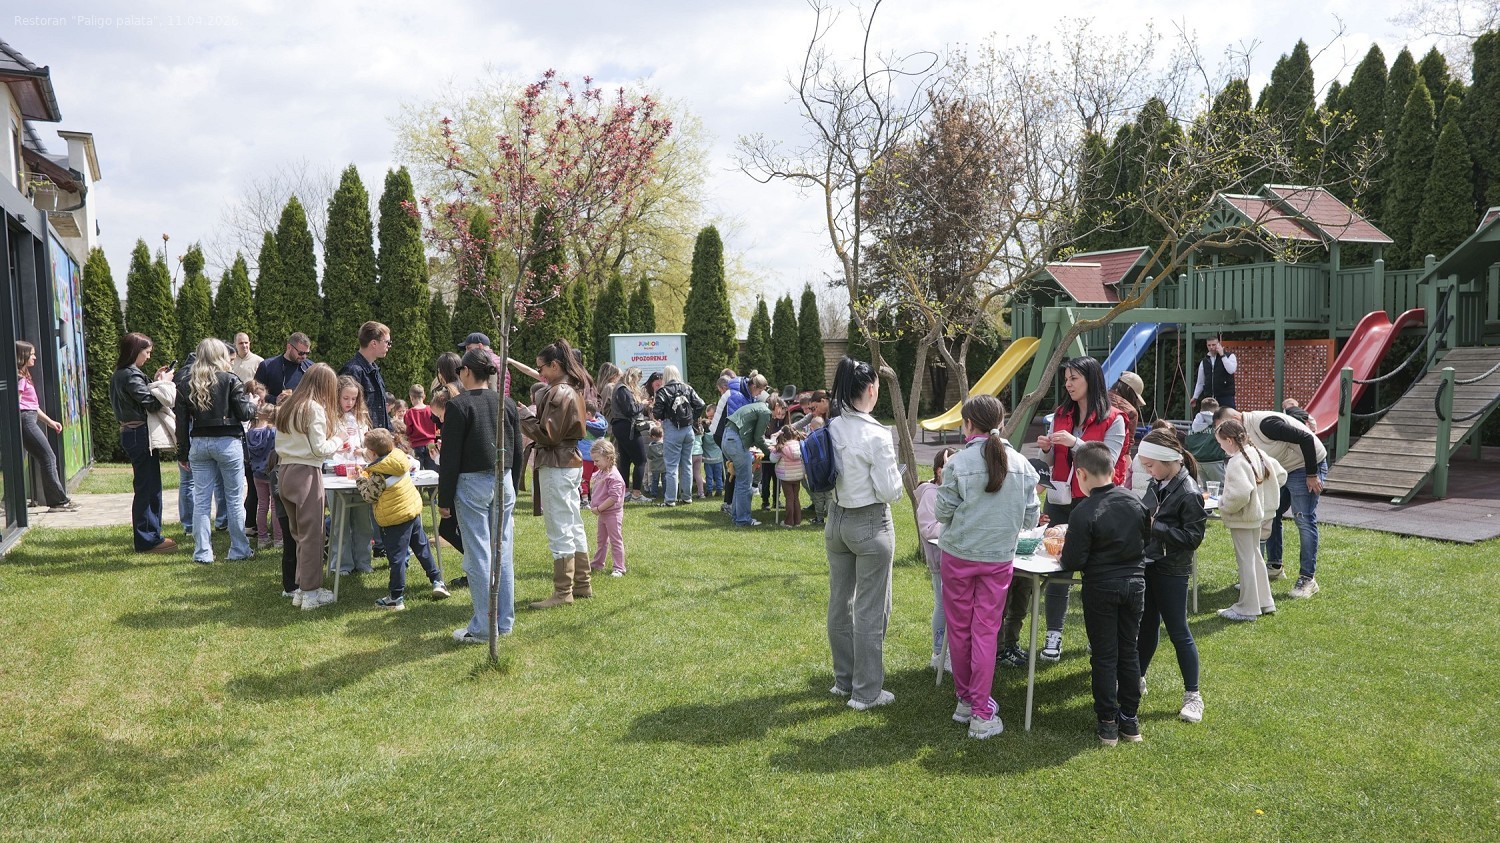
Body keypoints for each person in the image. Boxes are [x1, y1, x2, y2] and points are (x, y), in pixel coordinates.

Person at [935, 395, 1041, 740]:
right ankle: (979, 710)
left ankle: (968, 702)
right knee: (984, 632)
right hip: (997, 559)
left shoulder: (958, 463)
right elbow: (1031, 519)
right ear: (1002, 422)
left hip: (959, 555)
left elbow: (941, 512)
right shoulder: (1022, 465)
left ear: (968, 424)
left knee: (960, 630)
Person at [1031, 356, 1128, 662]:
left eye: (1074, 378)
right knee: (1058, 568)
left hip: (1095, 504)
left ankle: (1098, 636)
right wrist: (1046, 450)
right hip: (1059, 500)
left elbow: (1108, 462)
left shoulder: (1114, 419)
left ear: (1091, 379)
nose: (1068, 384)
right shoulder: (1060, 414)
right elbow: (1050, 464)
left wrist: (1075, 442)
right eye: (1066, 379)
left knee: (1095, 571)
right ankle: (1053, 634)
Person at [1057, 441, 1151, 746]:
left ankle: (1108, 722)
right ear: (1113, 470)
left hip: (1101, 587)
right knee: (1129, 650)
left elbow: (1072, 560)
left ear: (1081, 474)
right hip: (1135, 584)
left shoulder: (1083, 511)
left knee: (1104, 654)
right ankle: (1130, 720)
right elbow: (1146, 540)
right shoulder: (1135, 501)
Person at [824, 358, 904, 711]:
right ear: (871, 389)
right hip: (870, 522)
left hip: (836, 520)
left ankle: (844, 681)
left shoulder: (832, 427)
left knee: (840, 603)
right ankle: (866, 692)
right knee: (871, 609)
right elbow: (889, 491)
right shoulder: (876, 434)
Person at [438, 349, 515, 642]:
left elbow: (450, 457)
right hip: (503, 478)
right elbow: (517, 448)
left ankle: (484, 628)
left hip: (472, 483)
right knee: (502, 550)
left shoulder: (458, 405)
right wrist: (511, 481)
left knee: (479, 555)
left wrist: (444, 499)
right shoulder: (505, 402)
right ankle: (503, 622)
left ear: (467, 372)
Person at [1214, 405, 1327, 598]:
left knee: (1304, 519)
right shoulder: (1244, 436)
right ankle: (1274, 567)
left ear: (1236, 418)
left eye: (1224, 427)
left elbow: (1306, 438)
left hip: (1306, 466)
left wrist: (1311, 474)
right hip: (1283, 468)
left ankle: (1307, 579)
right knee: (1271, 512)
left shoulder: (1265, 424)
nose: (1224, 433)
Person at [1135, 429, 1208, 724]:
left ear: (1167, 460)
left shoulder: (1189, 492)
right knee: (1146, 625)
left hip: (1172, 569)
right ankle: (1137, 678)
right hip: (1149, 563)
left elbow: (1193, 538)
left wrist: (1155, 527)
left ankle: (1193, 695)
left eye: (1150, 465)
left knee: (1178, 631)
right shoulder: (1159, 481)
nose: (1147, 471)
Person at [522, 338, 592, 609]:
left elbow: (547, 434)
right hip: (568, 462)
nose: (539, 373)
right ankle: (582, 583)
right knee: (572, 522)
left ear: (554, 365)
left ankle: (563, 592)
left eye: (541, 368)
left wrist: (523, 416)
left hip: (557, 463)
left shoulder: (559, 391)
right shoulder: (571, 389)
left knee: (560, 526)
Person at [176, 338, 258, 564]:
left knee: (202, 500)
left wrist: (182, 453)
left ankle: (203, 552)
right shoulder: (230, 379)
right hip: (228, 442)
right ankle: (239, 549)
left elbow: (181, 423)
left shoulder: (186, 382)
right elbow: (244, 413)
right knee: (234, 499)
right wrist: (253, 404)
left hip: (199, 443)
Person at [275, 363, 342, 610]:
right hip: (306, 472)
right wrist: (339, 439)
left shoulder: (289, 404)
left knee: (299, 535)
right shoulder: (313, 408)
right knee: (313, 536)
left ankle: (302, 590)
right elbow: (319, 449)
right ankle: (311, 593)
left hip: (285, 471)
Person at [361, 429, 448, 610]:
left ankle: (396, 597)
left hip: (395, 519)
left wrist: (361, 480)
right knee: (422, 548)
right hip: (411, 512)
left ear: (373, 453)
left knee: (397, 558)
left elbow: (369, 496)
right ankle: (437, 581)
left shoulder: (378, 474)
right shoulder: (400, 459)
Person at [109, 334, 178, 554]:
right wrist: (164, 384)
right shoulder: (130, 375)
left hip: (133, 433)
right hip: (139, 434)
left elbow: (142, 395)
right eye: (146, 352)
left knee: (148, 486)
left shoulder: (122, 373)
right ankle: (148, 540)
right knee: (148, 488)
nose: (148, 357)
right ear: (135, 351)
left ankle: (151, 535)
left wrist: (155, 379)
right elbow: (152, 403)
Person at [1214, 418, 1286, 622]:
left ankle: (1247, 608)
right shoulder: (1257, 452)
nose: (1220, 447)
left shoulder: (1237, 461)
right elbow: (1280, 475)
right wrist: (1263, 499)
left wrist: (1223, 505)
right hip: (1258, 515)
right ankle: (1265, 601)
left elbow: (1239, 494)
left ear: (1229, 440)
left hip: (1244, 517)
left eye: (1220, 443)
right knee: (1255, 557)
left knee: (1246, 561)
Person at [14, 341, 77, 512]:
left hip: (29, 418)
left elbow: (32, 406)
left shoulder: (24, 376)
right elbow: (17, 405)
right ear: (22, 356)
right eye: (32, 354)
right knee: (48, 457)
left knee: (45, 458)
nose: (35, 357)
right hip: (25, 421)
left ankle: (57, 501)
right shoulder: (19, 378)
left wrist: (50, 422)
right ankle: (58, 502)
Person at [915, 448, 955, 673]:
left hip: (954, 559)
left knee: (952, 606)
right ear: (939, 471)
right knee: (942, 605)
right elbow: (928, 529)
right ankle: (938, 653)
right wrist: (956, 526)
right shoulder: (930, 494)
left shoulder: (951, 491)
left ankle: (949, 651)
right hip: (940, 561)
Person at [331, 375, 376, 574]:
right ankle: (342, 564)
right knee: (340, 520)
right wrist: (337, 447)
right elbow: (325, 445)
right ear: (337, 397)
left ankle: (363, 562)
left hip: (359, 472)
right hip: (337, 472)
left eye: (353, 399)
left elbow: (367, 445)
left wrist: (363, 449)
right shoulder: (330, 417)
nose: (350, 403)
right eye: (345, 398)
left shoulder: (360, 417)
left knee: (363, 520)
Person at [722, 394, 786, 528]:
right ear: (776, 405)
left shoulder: (758, 406)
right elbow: (758, 438)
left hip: (727, 439)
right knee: (745, 484)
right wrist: (770, 453)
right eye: (780, 411)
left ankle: (737, 517)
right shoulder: (765, 411)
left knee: (740, 481)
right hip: (735, 441)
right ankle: (743, 520)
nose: (778, 416)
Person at [652, 365, 706, 507]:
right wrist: (692, 418)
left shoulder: (663, 391)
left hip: (672, 429)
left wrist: (663, 415)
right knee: (687, 464)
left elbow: (657, 413)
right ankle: (687, 497)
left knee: (672, 466)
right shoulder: (688, 388)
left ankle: (670, 499)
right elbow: (701, 404)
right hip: (688, 430)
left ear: (665, 376)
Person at [587, 439, 628, 577]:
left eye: (597, 460)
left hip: (612, 514)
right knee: (601, 540)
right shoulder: (602, 472)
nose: (595, 464)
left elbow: (614, 498)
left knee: (615, 540)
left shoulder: (614, 477)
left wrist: (599, 508)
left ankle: (619, 567)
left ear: (608, 458)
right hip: (603, 513)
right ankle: (598, 563)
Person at [340, 321, 391, 431]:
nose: (389, 346)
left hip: (378, 436)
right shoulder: (352, 371)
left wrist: (390, 433)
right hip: (362, 436)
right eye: (387, 342)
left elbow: (381, 408)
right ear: (374, 343)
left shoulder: (375, 370)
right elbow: (345, 409)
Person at [611, 367, 651, 503]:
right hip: (627, 427)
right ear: (632, 377)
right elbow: (630, 410)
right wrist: (642, 404)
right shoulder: (623, 389)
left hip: (620, 426)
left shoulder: (618, 388)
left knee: (625, 461)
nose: (638, 382)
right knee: (641, 460)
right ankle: (636, 494)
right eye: (637, 379)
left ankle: (625, 492)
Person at [245, 404, 282, 550]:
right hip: (272, 472)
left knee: (262, 506)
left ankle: (262, 538)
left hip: (257, 474)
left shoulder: (250, 433)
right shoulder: (273, 432)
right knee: (275, 506)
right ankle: (278, 538)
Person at [253, 332, 313, 404]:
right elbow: (255, 390)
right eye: (301, 353)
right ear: (289, 347)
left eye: (307, 353)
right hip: (274, 409)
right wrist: (275, 400)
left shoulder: (310, 367)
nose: (304, 357)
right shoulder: (267, 366)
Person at [773, 424, 807, 527]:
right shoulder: (799, 444)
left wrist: (773, 447)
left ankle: (789, 521)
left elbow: (772, 459)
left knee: (789, 498)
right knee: (796, 497)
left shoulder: (782, 446)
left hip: (786, 476)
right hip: (797, 475)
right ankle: (797, 521)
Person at [1191, 335, 1237, 409]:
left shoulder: (1229, 356)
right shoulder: (1204, 361)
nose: (1211, 347)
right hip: (1210, 398)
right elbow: (1200, 382)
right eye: (1209, 345)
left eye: (1213, 345)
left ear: (1218, 345)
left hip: (1225, 396)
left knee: (1227, 415)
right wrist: (1195, 396)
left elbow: (1231, 370)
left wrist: (1222, 355)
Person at [580, 399, 608, 502]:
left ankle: (585, 499)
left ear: (587, 414)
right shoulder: (602, 425)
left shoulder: (584, 425)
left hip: (586, 457)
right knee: (598, 479)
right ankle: (598, 497)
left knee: (584, 478)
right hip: (599, 457)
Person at [406, 384, 438, 470]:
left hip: (416, 445)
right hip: (431, 443)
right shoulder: (431, 409)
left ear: (411, 397)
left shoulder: (409, 413)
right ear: (424, 396)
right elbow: (436, 425)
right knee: (432, 470)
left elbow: (408, 431)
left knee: (416, 470)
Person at [698, 417, 724, 498]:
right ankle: (719, 490)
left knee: (709, 476)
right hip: (718, 458)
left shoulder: (703, 437)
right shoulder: (716, 435)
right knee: (718, 476)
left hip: (708, 460)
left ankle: (709, 491)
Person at [645, 424, 666, 501]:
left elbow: (649, 456)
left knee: (655, 480)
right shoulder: (665, 445)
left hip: (655, 466)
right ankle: (665, 493)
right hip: (664, 466)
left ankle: (654, 493)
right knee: (664, 480)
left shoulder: (651, 446)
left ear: (653, 436)